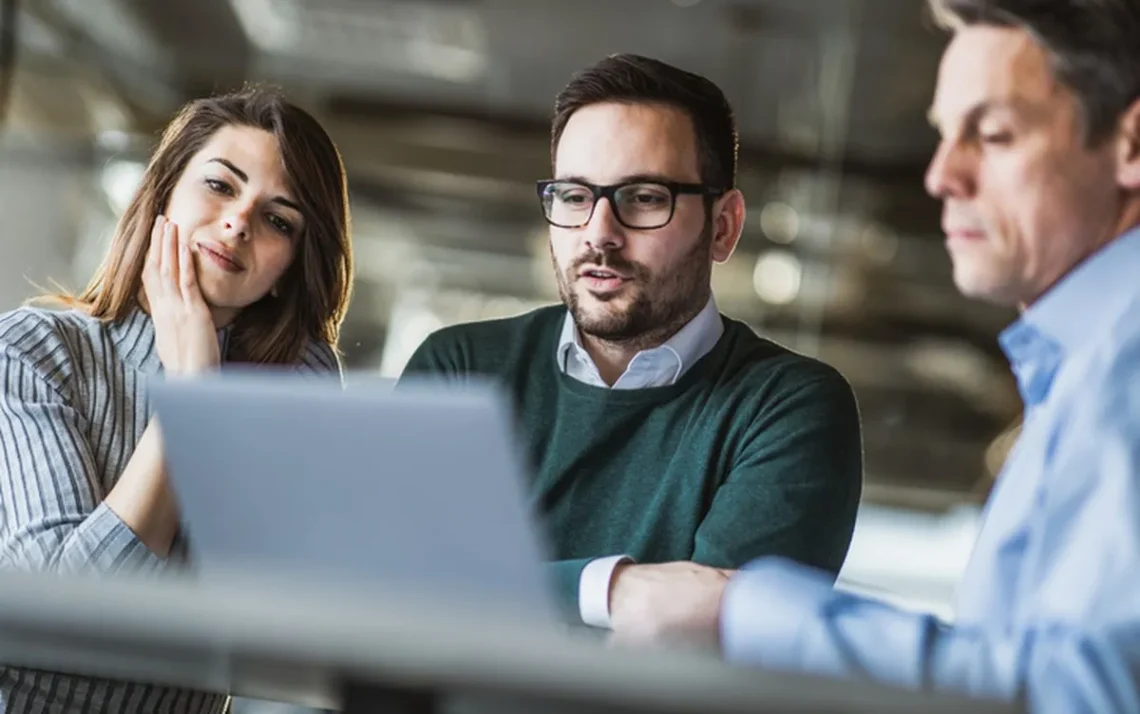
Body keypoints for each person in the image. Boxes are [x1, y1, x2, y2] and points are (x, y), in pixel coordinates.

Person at [608, 0, 1140, 710]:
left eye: (995, 133)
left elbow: (1086, 696)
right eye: (946, 135)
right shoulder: (1079, 370)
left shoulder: (1125, 367)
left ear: (1130, 146)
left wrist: (746, 614)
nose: (942, 175)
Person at [399, 54, 863, 637]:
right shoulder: (461, 369)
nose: (598, 233)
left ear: (722, 227)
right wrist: (616, 591)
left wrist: (490, 592)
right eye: (573, 196)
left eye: (644, 197)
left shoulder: (787, 409)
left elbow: (712, 644)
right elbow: (389, 588)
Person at [0, 87, 354, 714]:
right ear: (164, 190)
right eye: (221, 185)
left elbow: (280, 634)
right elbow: (64, 616)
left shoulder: (297, 392)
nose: (239, 221)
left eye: (278, 220)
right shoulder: (34, 350)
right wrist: (192, 392)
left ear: (290, 268)